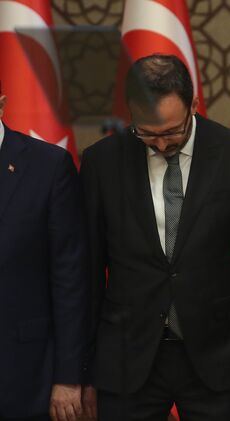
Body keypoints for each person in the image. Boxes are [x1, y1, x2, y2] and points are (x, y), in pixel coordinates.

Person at [80, 55, 230, 421]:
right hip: (126, 358)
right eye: (147, 133)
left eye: (172, 132)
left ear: (194, 105)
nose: (160, 144)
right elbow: (88, 273)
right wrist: (85, 368)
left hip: (220, 355)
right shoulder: (101, 162)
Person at [0, 86, 88, 421]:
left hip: (22, 373)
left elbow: (70, 280)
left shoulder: (48, 166)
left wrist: (68, 376)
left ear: (1, 106)